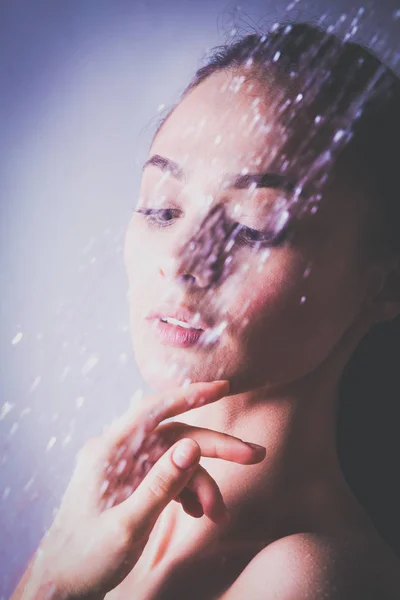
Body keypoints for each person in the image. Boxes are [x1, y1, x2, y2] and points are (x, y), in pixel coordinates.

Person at [11, 20, 400, 600]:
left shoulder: (312, 574)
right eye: (162, 210)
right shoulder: (110, 511)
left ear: (384, 284)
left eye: (252, 227)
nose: (181, 259)